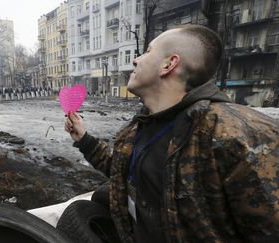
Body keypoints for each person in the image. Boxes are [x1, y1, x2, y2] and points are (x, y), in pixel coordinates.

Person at [64, 25, 279, 242]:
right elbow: (121, 171)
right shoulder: (138, 127)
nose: (136, 60)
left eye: (147, 51)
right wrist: (84, 139)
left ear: (169, 64)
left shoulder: (241, 134)